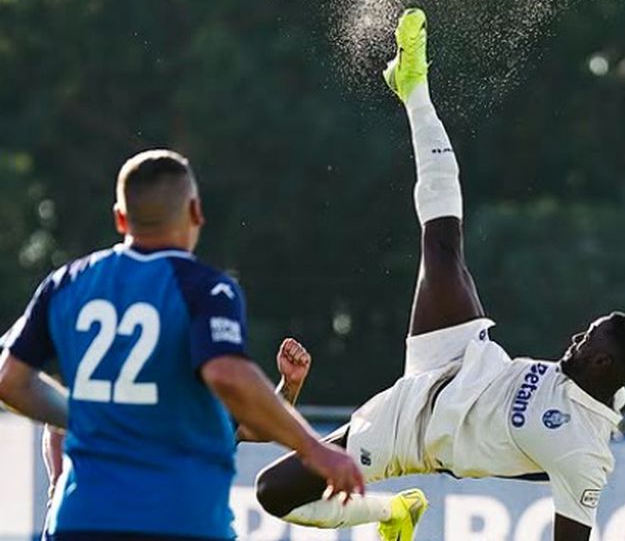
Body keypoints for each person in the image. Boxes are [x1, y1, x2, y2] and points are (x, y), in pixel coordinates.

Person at [254, 8, 625, 541]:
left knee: (272, 493)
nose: (576, 338)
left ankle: (390, 512)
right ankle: (413, 86)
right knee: (443, 242)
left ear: (604, 363)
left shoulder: (582, 447)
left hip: (410, 434)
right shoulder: (592, 377)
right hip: (465, 358)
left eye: (588, 339)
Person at [0, 150, 364, 541]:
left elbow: (10, 380)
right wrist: (313, 448)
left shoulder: (66, 284)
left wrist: (86, 415)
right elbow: (227, 375)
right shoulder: (205, 288)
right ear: (195, 211)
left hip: (81, 521)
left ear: (121, 218)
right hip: (179, 520)